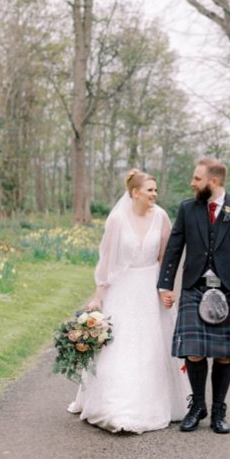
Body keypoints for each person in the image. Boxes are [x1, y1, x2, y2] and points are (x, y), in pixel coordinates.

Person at [67, 169, 191, 433]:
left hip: (150, 288)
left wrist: (165, 289)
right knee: (120, 346)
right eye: (150, 190)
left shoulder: (161, 217)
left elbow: (165, 258)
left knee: (151, 344)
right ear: (135, 193)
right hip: (122, 289)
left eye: (156, 190)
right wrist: (99, 295)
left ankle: (157, 402)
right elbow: (107, 261)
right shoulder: (116, 219)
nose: (155, 195)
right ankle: (117, 407)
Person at [157, 156, 230, 434]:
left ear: (213, 182)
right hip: (195, 287)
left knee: (224, 354)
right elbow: (173, 250)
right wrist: (165, 285)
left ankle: (218, 410)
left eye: (197, 179)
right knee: (193, 351)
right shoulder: (188, 209)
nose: (192, 183)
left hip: (229, 289)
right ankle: (197, 406)